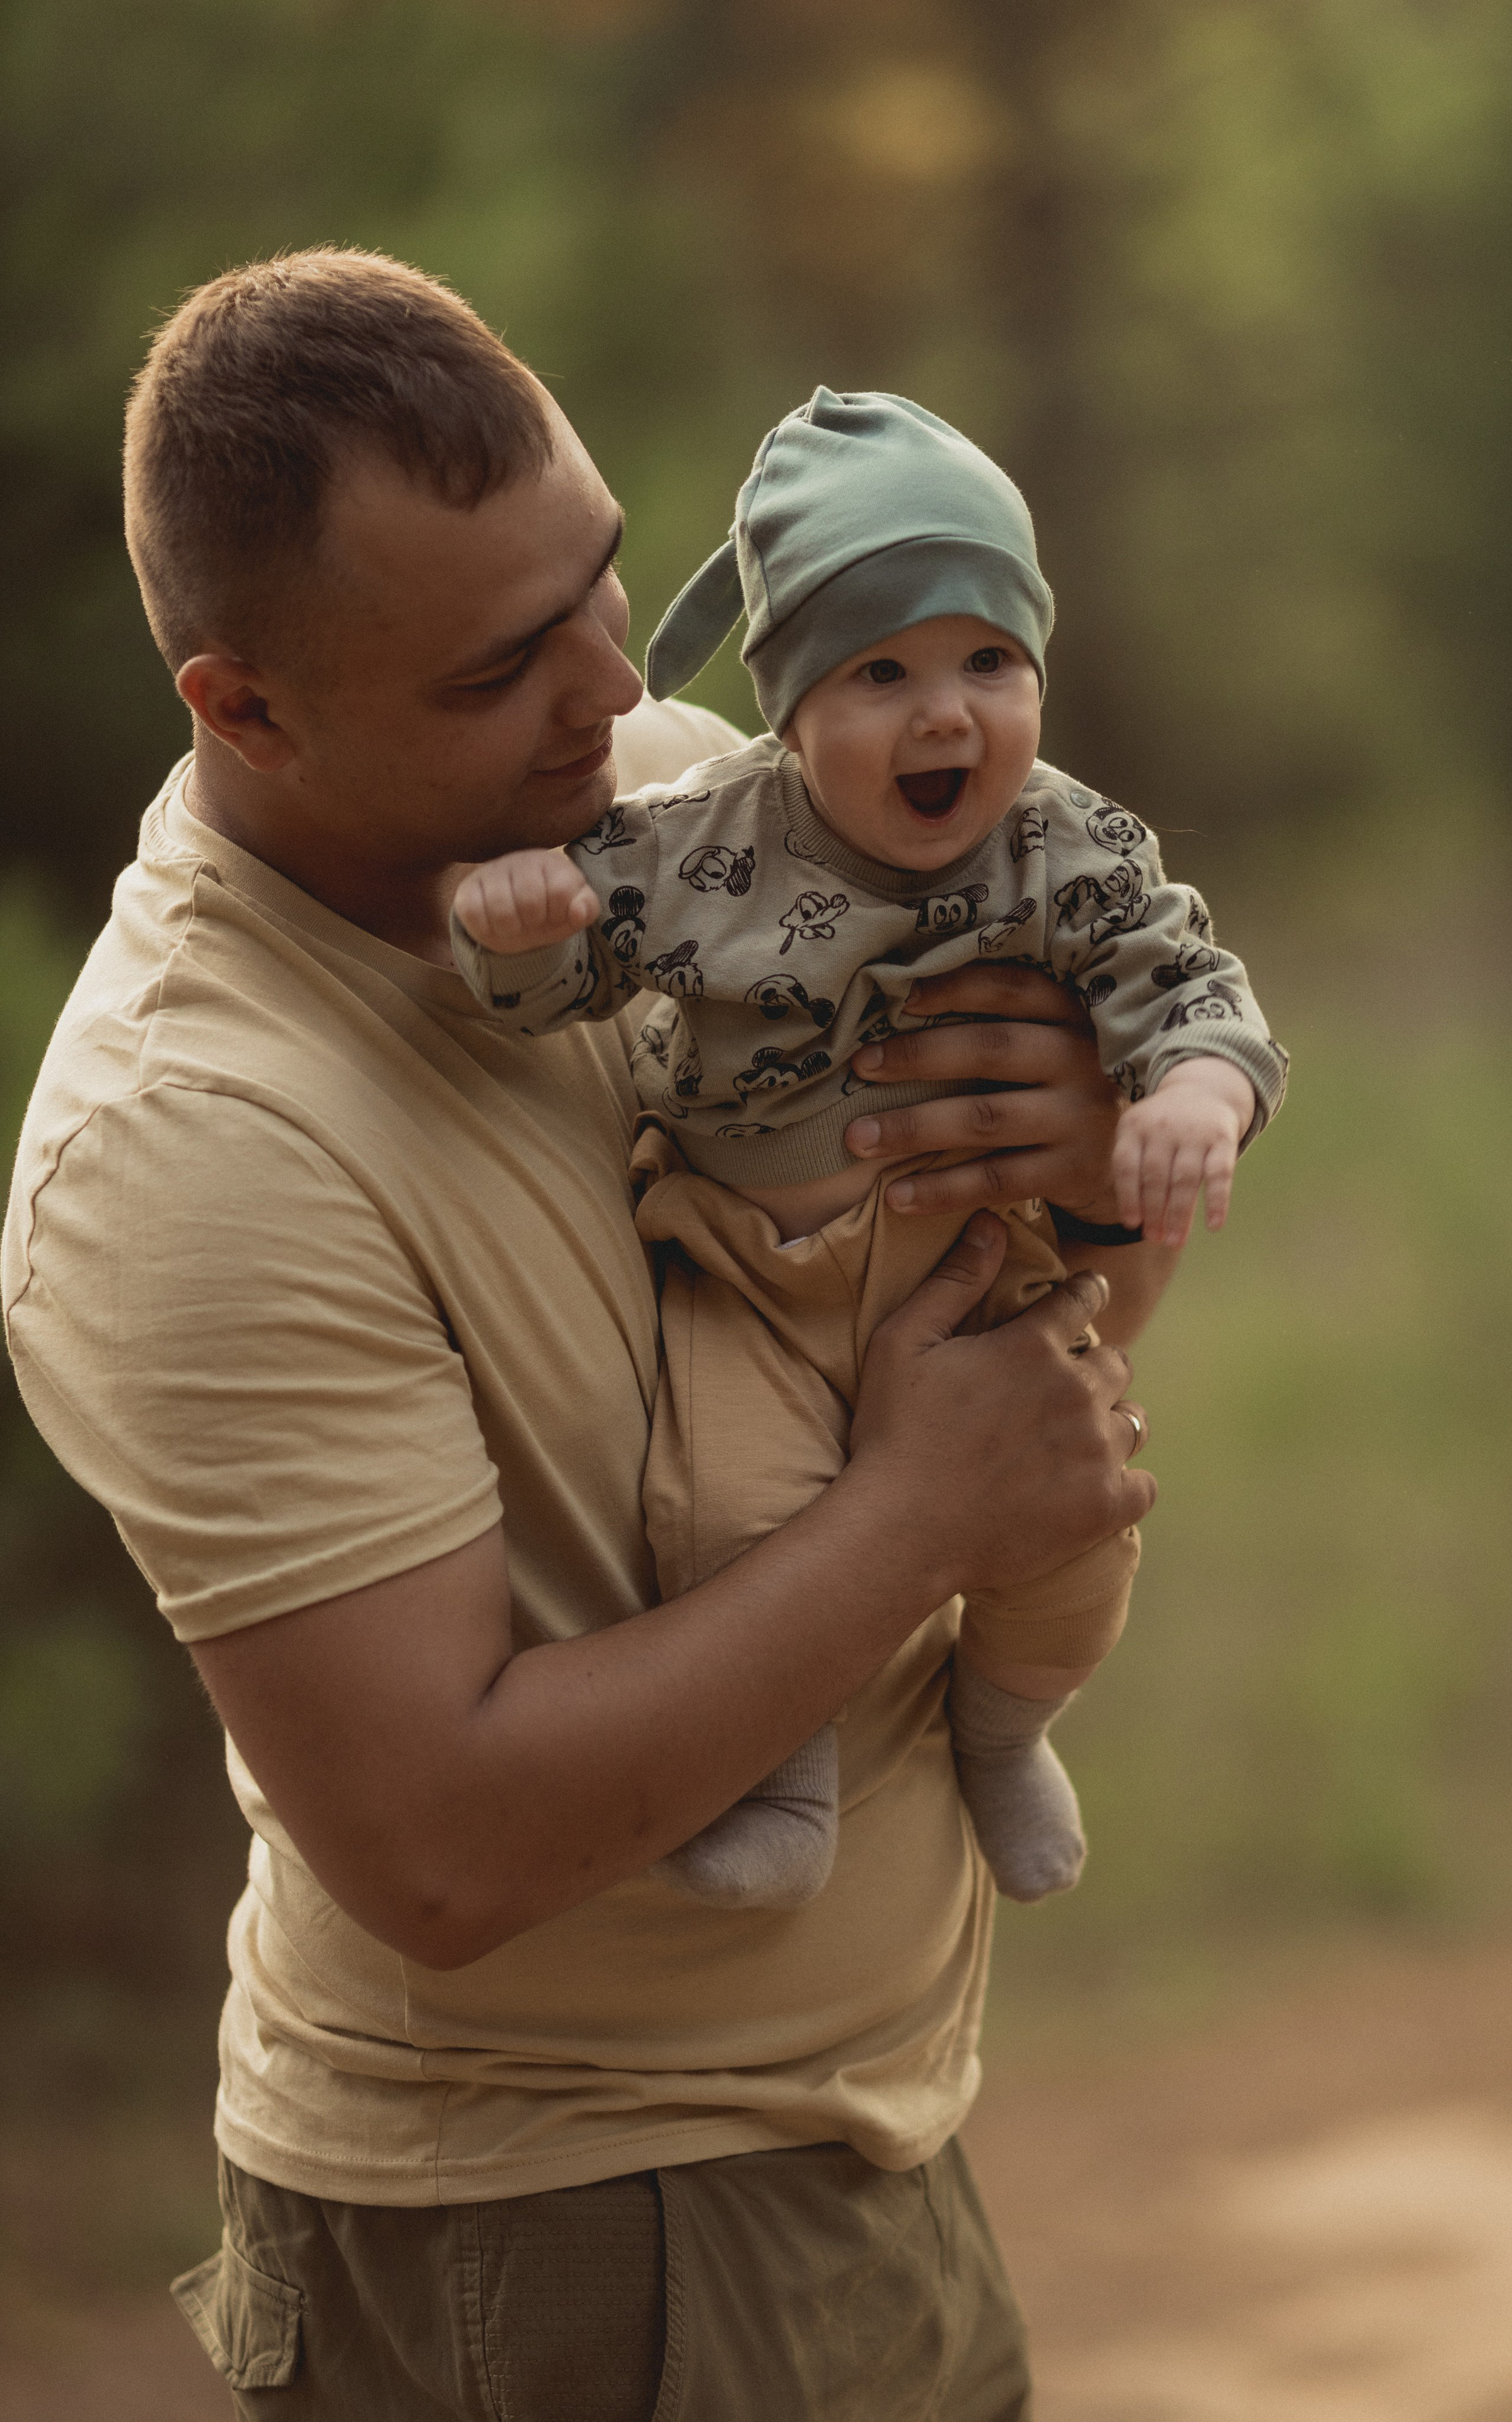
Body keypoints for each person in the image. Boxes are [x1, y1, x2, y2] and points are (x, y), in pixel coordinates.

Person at [3, 250, 1166, 2421]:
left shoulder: (663, 800)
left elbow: (1031, 1372)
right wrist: (922, 1516)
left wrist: (1085, 1165)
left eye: (610, 586)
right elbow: (442, 1847)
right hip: (549, 2249)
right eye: (500, 668)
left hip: (859, 2141)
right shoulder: (194, 1146)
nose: (614, 688)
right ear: (242, 707)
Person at [450, 388, 1286, 1914]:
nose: (945, 713)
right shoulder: (696, 842)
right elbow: (553, 992)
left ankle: (1005, 1720)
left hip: (973, 1267)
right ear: (789, 707)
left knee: (1077, 1528)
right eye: (880, 671)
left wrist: (1189, 1099)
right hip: (751, 1285)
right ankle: (783, 1773)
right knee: (727, 1527)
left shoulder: (1066, 847)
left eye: (988, 660)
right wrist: (513, 931)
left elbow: (1191, 990)